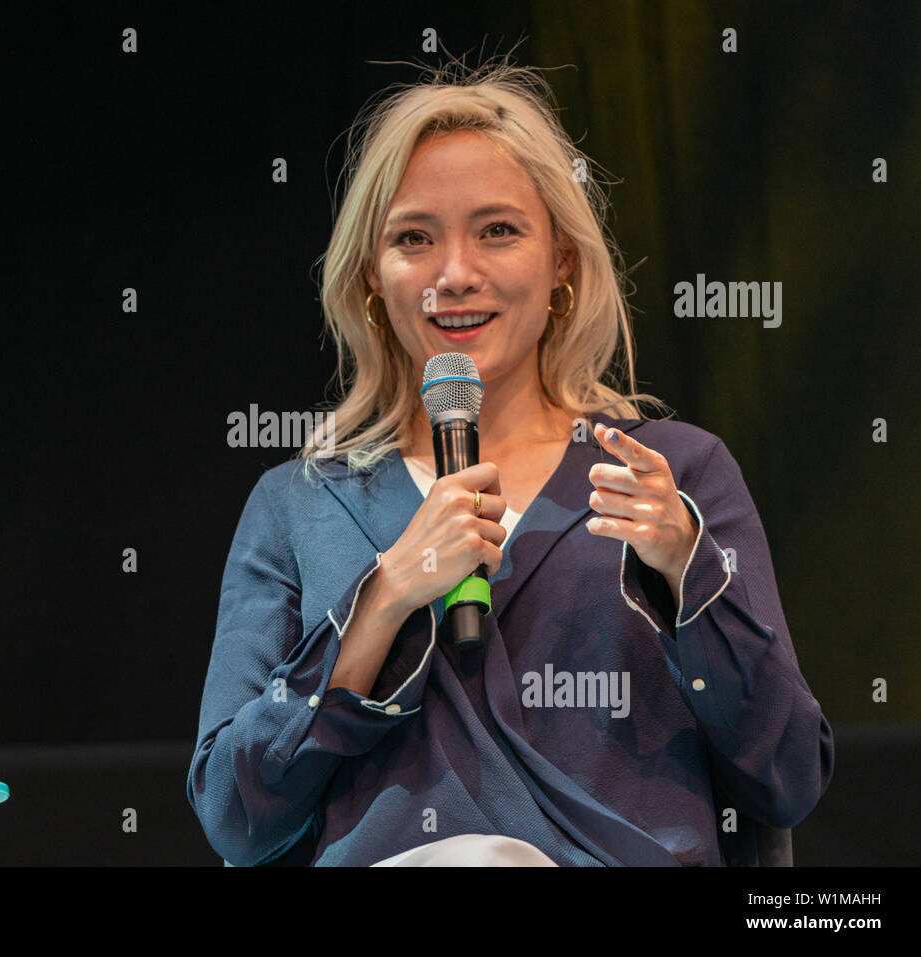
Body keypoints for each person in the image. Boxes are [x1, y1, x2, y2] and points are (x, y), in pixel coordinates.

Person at [186, 58, 833, 866]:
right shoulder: (299, 503)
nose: (456, 275)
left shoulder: (673, 472)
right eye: (414, 238)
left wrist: (688, 573)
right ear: (369, 277)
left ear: (563, 261)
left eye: (498, 230)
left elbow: (789, 778)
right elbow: (233, 815)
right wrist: (385, 596)